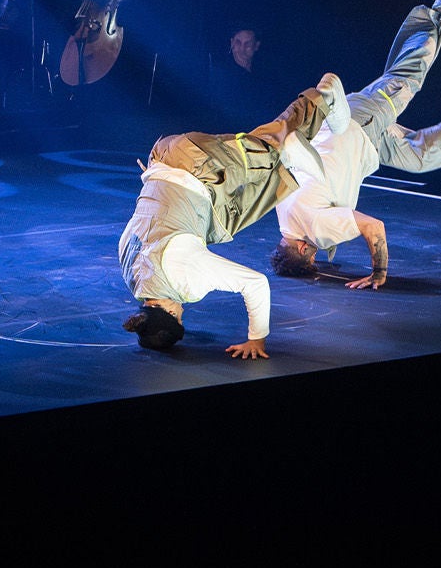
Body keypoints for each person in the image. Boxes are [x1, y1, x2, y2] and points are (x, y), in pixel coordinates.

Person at [269, 0, 441, 290]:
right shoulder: (284, 214)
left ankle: (439, 15)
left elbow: (373, 227)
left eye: (312, 257)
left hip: (358, 124)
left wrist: (378, 273)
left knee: (406, 78)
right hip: (365, 142)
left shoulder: (312, 227)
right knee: (420, 157)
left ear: (302, 249)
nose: (316, 254)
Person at [119, 75, 350, 357]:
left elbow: (254, 283)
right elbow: (142, 220)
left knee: (269, 145)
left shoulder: (183, 277)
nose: (182, 313)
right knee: (225, 223)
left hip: (198, 165)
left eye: (178, 317)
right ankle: (287, 154)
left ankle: (320, 99)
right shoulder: (131, 272)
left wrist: (257, 339)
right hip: (165, 156)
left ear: (167, 310)